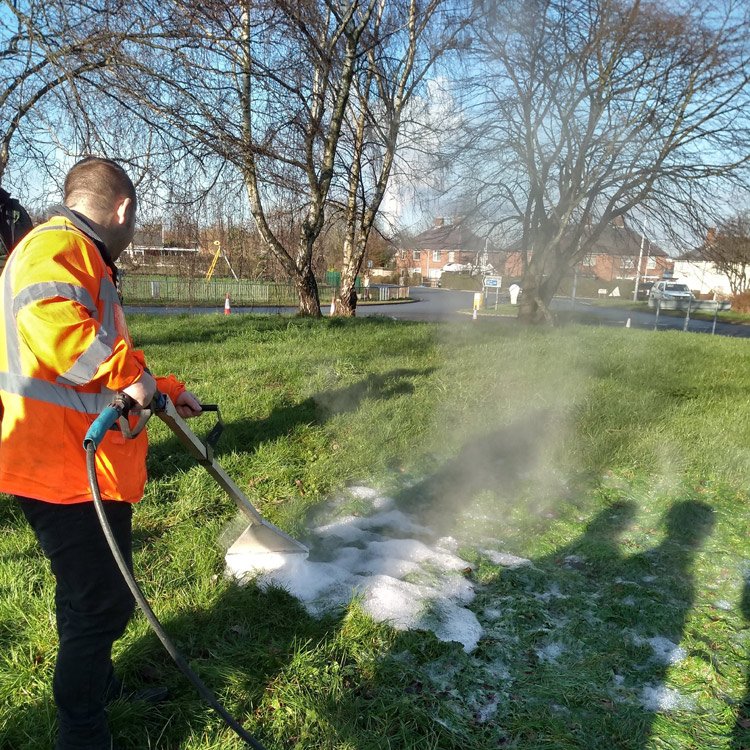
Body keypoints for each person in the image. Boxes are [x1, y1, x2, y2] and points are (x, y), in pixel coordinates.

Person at [0, 157, 202, 750]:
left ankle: (101, 686)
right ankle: (81, 733)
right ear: (123, 208)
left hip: (81, 463)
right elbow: (54, 326)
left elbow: (99, 366)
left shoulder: (85, 257)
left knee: (95, 594)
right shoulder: (55, 246)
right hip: (59, 469)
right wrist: (125, 375)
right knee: (100, 605)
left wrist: (161, 389)